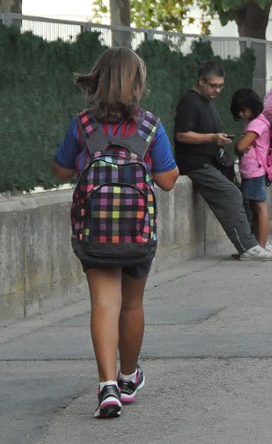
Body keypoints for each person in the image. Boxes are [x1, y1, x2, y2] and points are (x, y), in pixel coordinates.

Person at [52, 48, 180, 418]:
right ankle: (128, 376)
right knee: (133, 304)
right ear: (138, 84)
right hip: (137, 233)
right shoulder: (150, 126)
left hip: (95, 231)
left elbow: (61, 170)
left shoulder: (82, 125)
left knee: (104, 303)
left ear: (98, 80)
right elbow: (168, 181)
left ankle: (106, 385)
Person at [174, 62, 272, 261]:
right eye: (213, 85)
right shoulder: (189, 101)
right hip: (195, 163)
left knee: (240, 195)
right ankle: (247, 247)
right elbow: (181, 135)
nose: (217, 90)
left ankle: (253, 242)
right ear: (201, 81)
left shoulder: (206, 102)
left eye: (220, 86)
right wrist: (212, 138)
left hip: (213, 161)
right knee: (231, 194)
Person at [230, 89, 272, 257]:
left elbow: (240, 147)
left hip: (254, 170)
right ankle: (260, 242)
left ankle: (260, 245)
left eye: (243, 110)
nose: (241, 114)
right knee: (255, 207)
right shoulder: (262, 122)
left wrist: (239, 143)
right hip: (256, 170)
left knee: (259, 207)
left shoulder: (256, 124)